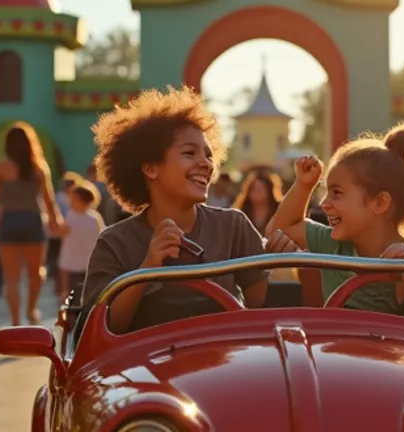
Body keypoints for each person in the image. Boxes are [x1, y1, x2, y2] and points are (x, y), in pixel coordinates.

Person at [83, 87, 270, 333]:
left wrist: (275, 257)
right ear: (151, 169)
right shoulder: (114, 243)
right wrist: (147, 267)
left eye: (208, 155)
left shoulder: (234, 225)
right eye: (189, 153)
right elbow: (100, 331)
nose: (205, 164)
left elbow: (259, 307)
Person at [266, 122, 404, 319]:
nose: (324, 204)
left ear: (380, 203)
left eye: (337, 193)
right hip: (340, 352)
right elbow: (281, 228)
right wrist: (304, 185)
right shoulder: (331, 244)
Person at [0, 123, 63, 327]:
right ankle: (31, 309)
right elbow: (49, 200)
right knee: (36, 272)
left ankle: (15, 321)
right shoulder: (39, 168)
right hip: (33, 221)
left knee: (11, 278)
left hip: (9, 222)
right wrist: (56, 222)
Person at [57, 181, 106, 304]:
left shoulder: (95, 219)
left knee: (88, 297)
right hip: (71, 267)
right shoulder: (69, 218)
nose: (70, 201)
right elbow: (62, 236)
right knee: (71, 298)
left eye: (74, 198)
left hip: (88, 266)